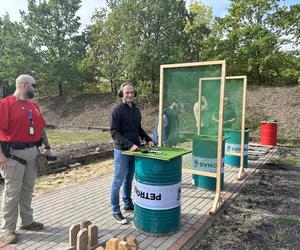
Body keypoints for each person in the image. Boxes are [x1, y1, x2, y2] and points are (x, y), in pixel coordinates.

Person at [0, 74, 53, 244]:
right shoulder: (5, 104)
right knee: (12, 193)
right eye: (33, 85)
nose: (35, 88)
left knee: (28, 190)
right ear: (23, 85)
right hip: (13, 155)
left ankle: (27, 222)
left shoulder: (33, 105)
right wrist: (0, 156)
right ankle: (8, 229)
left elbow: (41, 128)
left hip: (33, 152)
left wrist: (48, 147)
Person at [110, 82, 155, 224]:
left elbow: (138, 128)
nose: (129, 94)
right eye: (126, 92)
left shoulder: (136, 110)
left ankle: (128, 204)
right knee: (118, 181)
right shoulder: (116, 110)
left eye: (131, 92)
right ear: (121, 94)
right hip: (122, 151)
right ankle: (116, 211)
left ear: (134, 94)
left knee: (129, 179)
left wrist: (148, 139)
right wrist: (129, 145)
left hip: (134, 150)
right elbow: (114, 132)